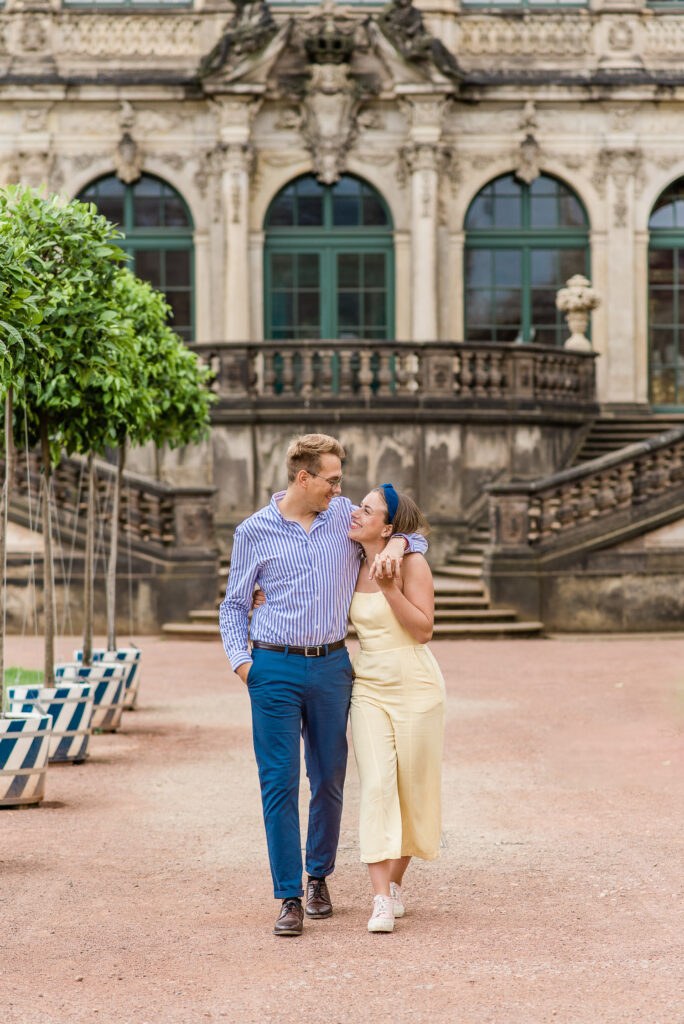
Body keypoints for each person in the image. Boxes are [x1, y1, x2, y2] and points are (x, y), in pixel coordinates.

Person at [219, 434, 427, 937]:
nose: (341, 489)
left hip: (333, 666)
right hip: (273, 669)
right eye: (332, 480)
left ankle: (319, 878)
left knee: (330, 778)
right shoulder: (254, 531)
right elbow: (233, 605)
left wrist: (400, 541)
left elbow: (408, 530)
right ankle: (288, 895)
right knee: (279, 783)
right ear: (303, 478)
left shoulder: (343, 517)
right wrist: (245, 666)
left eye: (341, 480)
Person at [348, 483, 445, 933]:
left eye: (366, 509)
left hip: (416, 686)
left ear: (388, 527)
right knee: (376, 787)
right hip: (368, 685)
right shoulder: (348, 560)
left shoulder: (412, 562)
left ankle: (397, 884)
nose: (355, 512)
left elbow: (423, 630)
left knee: (411, 791)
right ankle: (380, 899)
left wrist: (390, 589)